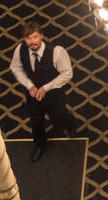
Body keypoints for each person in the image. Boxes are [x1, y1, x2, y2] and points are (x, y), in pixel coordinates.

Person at [10, 20, 78, 161]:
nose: (32, 42)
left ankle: (69, 123)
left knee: (59, 119)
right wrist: (29, 85)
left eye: (35, 37)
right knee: (35, 122)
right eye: (28, 38)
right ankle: (40, 145)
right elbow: (15, 68)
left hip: (54, 95)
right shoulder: (20, 49)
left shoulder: (57, 52)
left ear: (41, 36)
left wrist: (46, 88)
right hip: (33, 95)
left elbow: (67, 73)